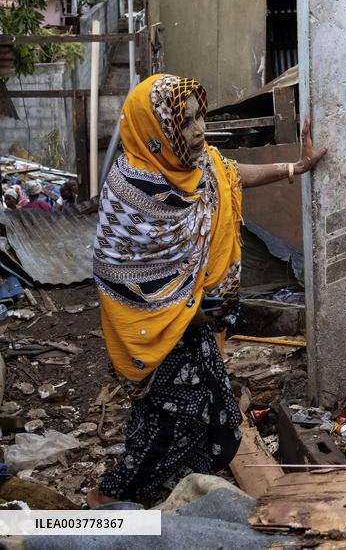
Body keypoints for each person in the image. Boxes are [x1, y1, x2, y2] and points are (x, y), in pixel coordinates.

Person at [87, 74, 327, 508]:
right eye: (185, 123)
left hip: (194, 317)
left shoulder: (193, 167)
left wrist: (295, 168)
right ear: (155, 131)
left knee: (213, 407)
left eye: (200, 118)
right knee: (170, 415)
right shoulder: (133, 190)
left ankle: (182, 486)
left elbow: (230, 175)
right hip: (156, 323)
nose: (199, 130)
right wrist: (185, 309)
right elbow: (121, 272)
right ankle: (110, 498)